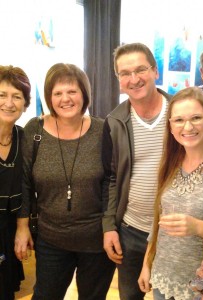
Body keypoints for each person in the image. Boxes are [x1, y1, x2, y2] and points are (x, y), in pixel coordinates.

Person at [14, 63, 115, 300]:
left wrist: (111, 228)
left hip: (97, 241)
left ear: (84, 94)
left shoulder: (103, 130)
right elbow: (24, 183)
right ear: (49, 97)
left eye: (72, 91)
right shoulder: (35, 130)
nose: (65, 99)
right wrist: (22, 227)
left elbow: (111, 182)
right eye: (57, 93)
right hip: (51, 240)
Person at [137, 87, 203, 300]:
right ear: (170, 126)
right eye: (179, 120)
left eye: (196, 118)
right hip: (163, 278)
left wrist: (198, 227)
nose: (188, 127)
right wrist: (147, 264)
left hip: (202, 285)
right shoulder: (169, 164)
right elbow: (158, 223)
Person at [102, 42, 171, 300]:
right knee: (129, 296)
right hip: (131, 230)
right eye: (125, 73)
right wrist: (109, 226)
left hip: (173, 231)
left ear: (155, 71)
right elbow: (110, 178)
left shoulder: (179, 113)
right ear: (119, 80)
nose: (134, 79)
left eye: (140, 69)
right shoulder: (115, 121)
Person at [0, 65, 31, 300]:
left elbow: (26, 186)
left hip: (10, 229)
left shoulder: (25, 137)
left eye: (17, 96)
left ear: (25, 103)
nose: (9, 103)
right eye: (1, 95)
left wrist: (22, 228)